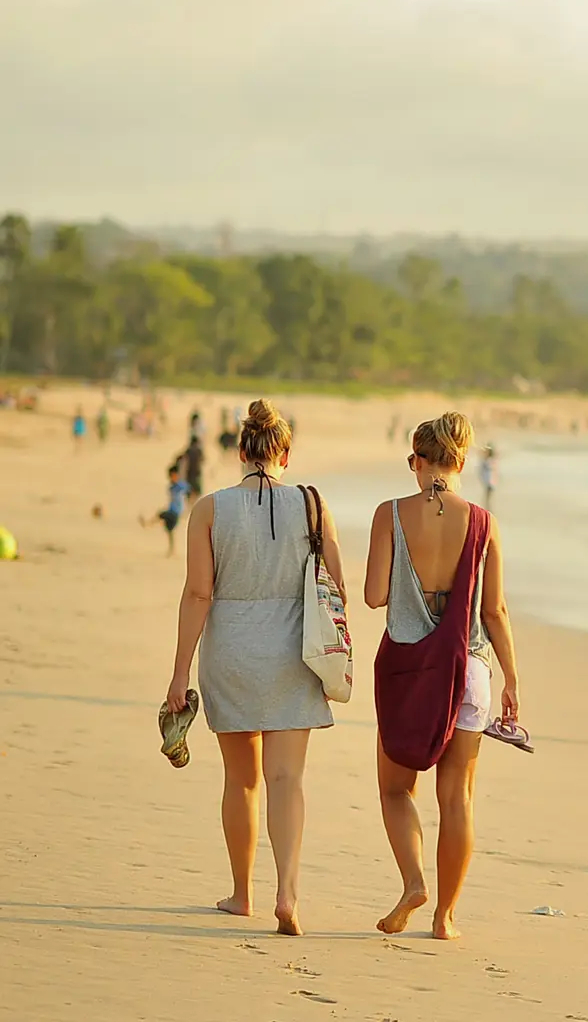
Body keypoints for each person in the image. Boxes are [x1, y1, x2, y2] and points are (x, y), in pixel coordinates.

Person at [162, 399, 342, 936]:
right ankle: (287, 892)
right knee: (287, 778)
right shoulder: (312, 505)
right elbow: (337, 586)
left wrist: (178, 673)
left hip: (232, 655)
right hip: (294, 654)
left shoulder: (210, 510)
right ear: (285, 453)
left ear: (241, 451)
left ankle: (243, 894)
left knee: (242, 780)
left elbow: (198, 593)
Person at [363, 412, 523, 941]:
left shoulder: (389, 514)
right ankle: (445, 918)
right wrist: (512, 681)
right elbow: (495, 611)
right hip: (468, 670)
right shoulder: (483, 523)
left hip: (406, 670)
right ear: (460, 462)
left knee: (394, 789)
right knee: (457, 799)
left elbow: (374, 596)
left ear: (421, 459)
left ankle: (413, 882)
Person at [141, 464, 192, 556]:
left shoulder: (181, 486)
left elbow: (189, 492)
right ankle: (172, 550)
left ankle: (148, 524)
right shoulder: (171, 487)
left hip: (176, 512)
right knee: (169, 530)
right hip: (171, 510)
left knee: (162, 517)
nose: (172, 478)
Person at [182, 435, 207, 500]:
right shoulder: (199, 450)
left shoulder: (188, 450)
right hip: (197, 472)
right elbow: (203, 459)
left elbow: (183, 460)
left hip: (189, 473)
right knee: (197, 491)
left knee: (189, 491)